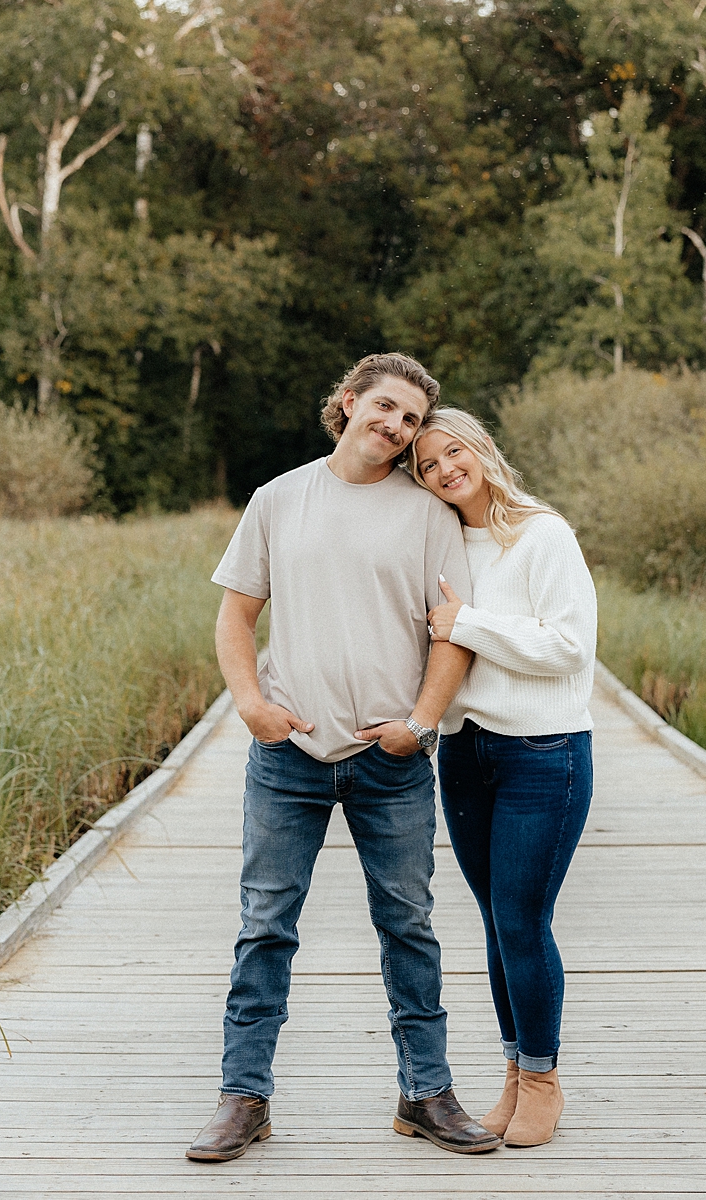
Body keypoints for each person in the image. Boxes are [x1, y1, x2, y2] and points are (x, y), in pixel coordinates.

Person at [186, 355, 502, 1163]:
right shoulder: (278, 499)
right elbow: (235, 616)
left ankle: (426, 1093)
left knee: (410, 928)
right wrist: (251, 705)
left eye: (410, 420)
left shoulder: (427, 514)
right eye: (386, 408)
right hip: (288, 757)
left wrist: (419, 726)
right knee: (265, 927)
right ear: (351, 402)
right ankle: (243, 1098)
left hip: (390, 762)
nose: (395, 427)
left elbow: (452, 632)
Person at [409, 407, 597, 1149]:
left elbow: (569, 648)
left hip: (543, 754)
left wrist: (467, 625)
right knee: (496, 922)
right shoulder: (442, 545)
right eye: (427, 465)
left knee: (522, 920)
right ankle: (516, 1073)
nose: (445, 470)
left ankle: (544, 1081)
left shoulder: (542, 534)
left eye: (453, 451)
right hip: (466, 753)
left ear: (481, 449)